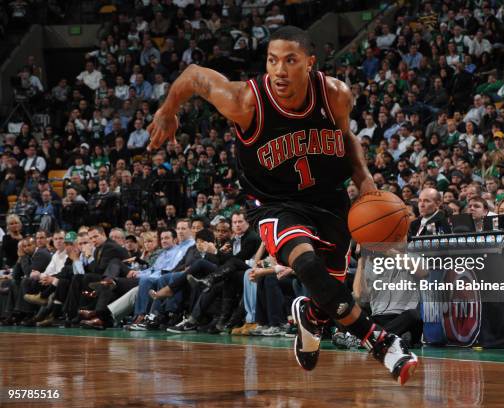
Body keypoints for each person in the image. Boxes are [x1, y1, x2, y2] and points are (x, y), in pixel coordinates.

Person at [146, 26, 418, 384]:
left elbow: (346, 137)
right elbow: (194, 76)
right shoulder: (245, 100)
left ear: (310, 63)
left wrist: (364, 181)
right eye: (272, 60)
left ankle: (311, 317)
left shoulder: (335, 94)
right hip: (274, 202)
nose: (279, 70)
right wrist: (168, 109)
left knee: (327, 292)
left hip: (328, 198)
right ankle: (382, 343)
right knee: (306, 264)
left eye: (290, 60)